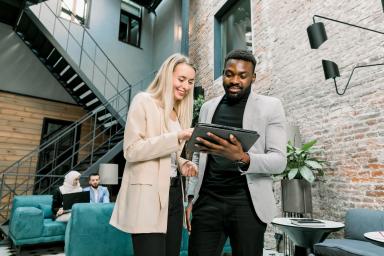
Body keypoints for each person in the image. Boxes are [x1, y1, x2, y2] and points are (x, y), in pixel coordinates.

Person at [186, 49, 287, 256]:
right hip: (207, 202)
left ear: (253, 77)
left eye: (243, 75)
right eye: (229, 74)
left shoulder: (271, 107)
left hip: (247, 205)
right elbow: (198, 153)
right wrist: (190, 197)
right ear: (223, 74)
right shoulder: (207, 108)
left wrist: (242, 157)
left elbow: (279, 161)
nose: (235, 80)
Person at [110, 53, 198, 256]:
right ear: (168, 76)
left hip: (175, 194)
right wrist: (176, 137)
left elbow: (168, 157)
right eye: (181, 79)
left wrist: (183, 163)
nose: (186, 86)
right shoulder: (143, 101)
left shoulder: (177, 114)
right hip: (148, 196)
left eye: (191, 82)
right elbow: (131, 150)